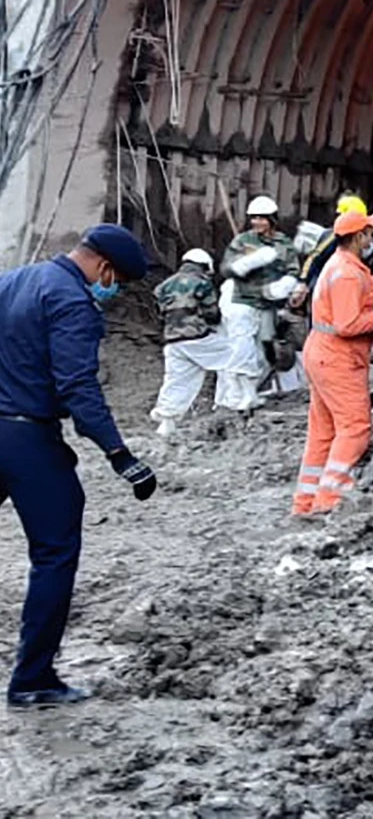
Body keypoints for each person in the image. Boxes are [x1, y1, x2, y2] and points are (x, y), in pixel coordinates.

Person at [0, 224, 158, 706]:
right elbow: (78, 388)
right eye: (117, 282)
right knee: (55, 551)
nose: (111, 290)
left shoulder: (14, 280)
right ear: (105, 269)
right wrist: (120, 454)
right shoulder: (72, 302)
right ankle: (33, 679)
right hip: (27, 436)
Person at [293, 210, 373, 517]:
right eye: (369, 234)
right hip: (338, 357)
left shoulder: (338, 264)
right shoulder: (347, 273)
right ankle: (330, 499)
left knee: (323, 431)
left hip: (321, 353)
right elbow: (348, 324)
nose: (372, 238)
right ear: (358, 237)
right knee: (355, 427)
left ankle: (306, 501)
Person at [219, 195, 299, 410]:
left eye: (262, 218)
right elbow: (225, 268)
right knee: (242, 348)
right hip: (244, 301)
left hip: (268, 304)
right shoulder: (243, 241)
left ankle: (252, 391)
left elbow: (294, 270)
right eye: (254, 218)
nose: (257, 223)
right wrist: (244, 264)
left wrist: (285, 284)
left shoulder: (284, 243)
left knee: (264, 350)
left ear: (272, 219)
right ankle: (241, 395)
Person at [149, 249, 230, 436]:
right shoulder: (202, 283)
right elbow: (212, 314)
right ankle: (226, 404)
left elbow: (159, 313)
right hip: (196, 337)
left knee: (177, 381)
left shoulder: (164, 286)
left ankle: (166, 422)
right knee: (233, 357)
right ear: (204, 266)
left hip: (172, 341)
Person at [294, 193, 369, 308]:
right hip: (323, 286)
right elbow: (314, 257)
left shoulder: (359, 238)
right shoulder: (333, 236)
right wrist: (303, 281)